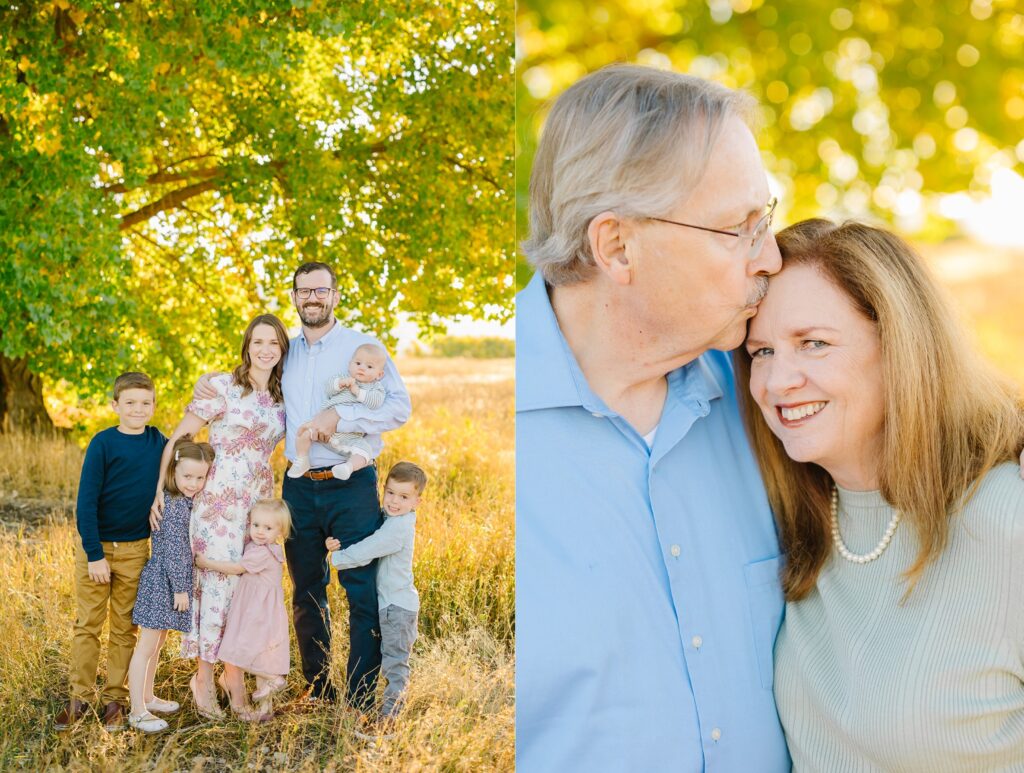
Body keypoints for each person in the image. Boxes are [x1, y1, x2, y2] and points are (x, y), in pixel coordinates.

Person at [516, 65, 789, 770]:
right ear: (616, 247)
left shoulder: (777, 390)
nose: (773, 256)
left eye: (769, 218)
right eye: (739, 228)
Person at [737, 219, 1024, 771]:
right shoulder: (803, 521)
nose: (776, 383)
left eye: (813, 344)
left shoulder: (1005, 520)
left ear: (901, 347)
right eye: (762, 352)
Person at [193, 262, 411, 711]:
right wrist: (208, 384)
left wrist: (342, 418)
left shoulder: (361, 347)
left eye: (321, 290)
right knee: (306, 590)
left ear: (335, 294)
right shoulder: (286, 352)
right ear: (294, 297)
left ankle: (362, 695)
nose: (313, 297)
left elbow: (399, 407)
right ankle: (320, 686)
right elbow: (251, 375)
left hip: (349, 483)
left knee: (360, 586)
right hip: (298, 486)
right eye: (304, 290)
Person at [153, 314, 287, 719]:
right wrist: (161, 490)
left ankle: (237, 677)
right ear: (246, 345)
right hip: (216, 504)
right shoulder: (223, 387)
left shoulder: (284, 398)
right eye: (258, 341)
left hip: (257, 507)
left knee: (243, 594)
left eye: (274, 344)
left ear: (282, 351)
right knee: (215, 591)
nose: (265, 350)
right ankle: (206, 678)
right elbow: (179, 438)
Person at [56, 372, 166, 732]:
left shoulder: (158, 442)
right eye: (130, 403)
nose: (138, 409)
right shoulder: (103, 443)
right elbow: (85, 503)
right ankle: (79, 697)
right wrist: (94, 554)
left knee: (124, 628)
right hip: (98, 548)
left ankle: (114, 699)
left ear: (153, 406)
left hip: (136, 550)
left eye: (145, 403)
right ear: (115, 405)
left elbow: (187, 452)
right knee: (88, 625)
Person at [325, 461, 426, 734]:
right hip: (391, 605)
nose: (393, 501)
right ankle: (381, 713)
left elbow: (368, 549)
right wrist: (335, 541)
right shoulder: (393, 518)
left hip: (398, 607)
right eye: (390, 492)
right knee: (389, 660)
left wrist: (337, 557)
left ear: (417, 501)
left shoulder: (398, 528)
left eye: (403, 497)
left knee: (395, 664)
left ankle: (390, 721)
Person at [126, 435, 214, 733]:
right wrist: (180, 589)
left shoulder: (183, 500)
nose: (193, 483)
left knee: (157, 643)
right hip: (162, 583)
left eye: (200, 477)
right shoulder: (175, 505)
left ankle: (149, 697)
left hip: (165, 579)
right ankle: (136, 709)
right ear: (173, 473)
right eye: (187, 476)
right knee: (146, 646)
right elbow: (175, 550)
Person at [197, 498, 292, 720]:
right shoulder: (269, 548)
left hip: (256, 612)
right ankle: (261, 708)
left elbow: (236, 568)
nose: (259, 532)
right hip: (262, 609)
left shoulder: (261, 552)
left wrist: (207, 563)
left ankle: (273, 677)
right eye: (256, 525)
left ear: (280, 531)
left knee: (240, 650)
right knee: (260, 651)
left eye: (268, 528)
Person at [287, 342, 389, 481]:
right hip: (321, 426)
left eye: (369, 366)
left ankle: (347, 468)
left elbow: (375, 402)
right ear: (350, 364)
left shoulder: (375, 388)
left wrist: (358, 392)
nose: (362, 368)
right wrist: (339, 384)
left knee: (365, 452)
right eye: (358, 363)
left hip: (350, 436)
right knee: (303, 432)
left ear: (379, 374)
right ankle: (302, 459)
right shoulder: (343, 378)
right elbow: (328, 389)